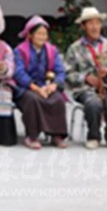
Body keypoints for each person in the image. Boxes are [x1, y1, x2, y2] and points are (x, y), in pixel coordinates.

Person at [65, 7, 107, 150]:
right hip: (85, 89)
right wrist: (85, 77)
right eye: (90, 23)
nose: (94, 27)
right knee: (93, 103)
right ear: (83, 26)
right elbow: (67, 73)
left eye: (97, 23)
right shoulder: (74, 48)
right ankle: (93, 136)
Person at [13, 16, 68, 150]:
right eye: (38, 33)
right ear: (30, 35)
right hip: (27, 87)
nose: (42, 37)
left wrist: (54, 85)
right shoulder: (20, 50)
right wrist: (36, 89)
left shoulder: (52, 50)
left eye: (44, 34)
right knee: (32, 100)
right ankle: (32, 136)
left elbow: (60, 71)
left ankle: (56, 135)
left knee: (58, 99)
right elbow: (19, 73)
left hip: (46, 85)